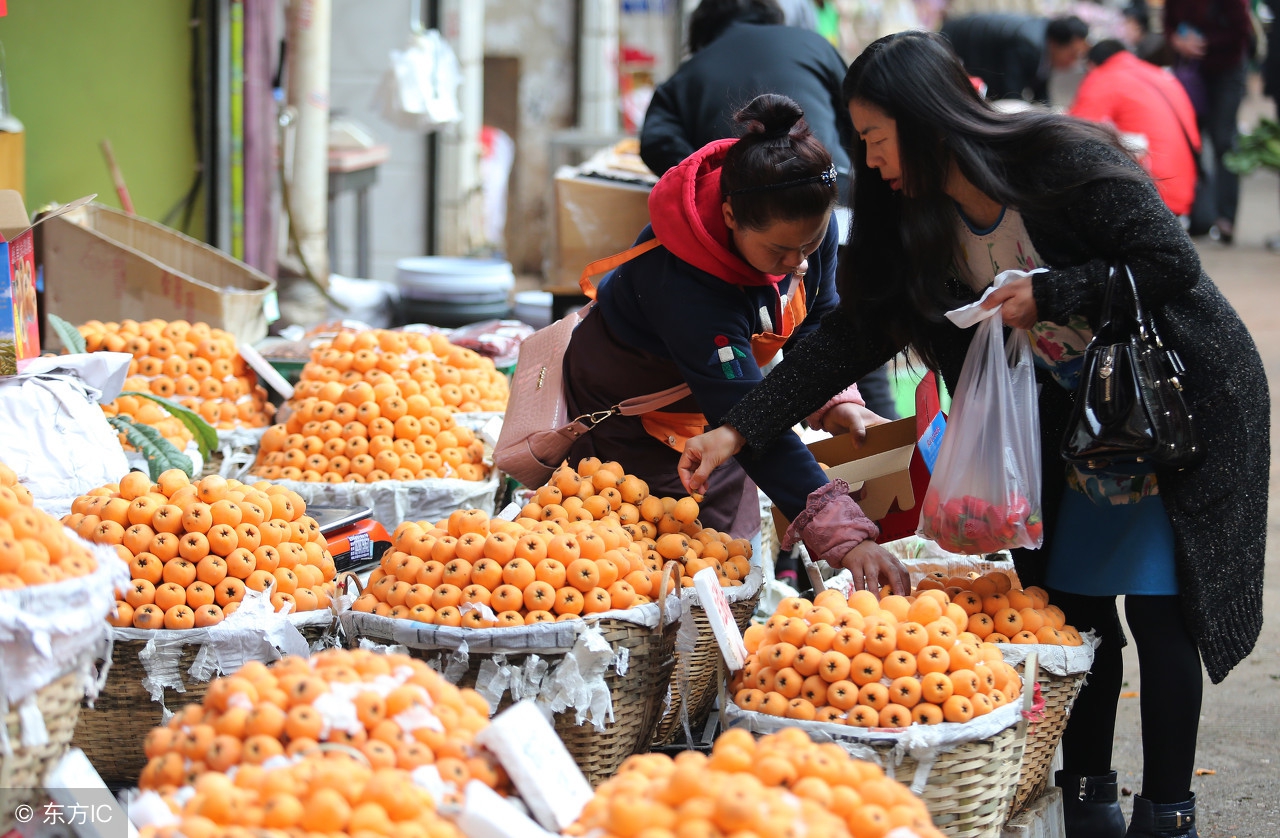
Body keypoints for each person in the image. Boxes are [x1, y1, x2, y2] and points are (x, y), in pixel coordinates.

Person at [680, 31, 1269, 838]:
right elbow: (853, 335)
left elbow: (1170, 262)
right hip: (1063, 430)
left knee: (1162, 611)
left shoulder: (1056, 162)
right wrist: (738, 430)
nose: (870, 160)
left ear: (924, 118)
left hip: (1164, 407)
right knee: (1073, 611)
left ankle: (1169, 814)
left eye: (876, 137)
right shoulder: (913, 220)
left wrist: (1052, 292)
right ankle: (1089, 802)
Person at [566, 93, 907, 592]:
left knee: (725, 557)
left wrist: (835, 399)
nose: (800, 263)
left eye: (812, 244)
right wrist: (846, 538)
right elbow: (753, 421)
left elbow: (817, 320)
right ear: (729, 215)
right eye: (780, 250)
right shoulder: (690, 288)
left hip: (718, 411)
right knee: (648, 565)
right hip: (632, 419)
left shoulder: (802, 223)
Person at [639, 0, 901, 420]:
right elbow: (856, 118)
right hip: (840, 205)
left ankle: (864, 436)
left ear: (701, 34)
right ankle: (878, 445)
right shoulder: (812, 44)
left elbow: (655, 143)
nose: (798, 261)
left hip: (801, 221)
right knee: (853, 345)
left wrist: (718, 178)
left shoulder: (688, 73)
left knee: (819, 345)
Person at [1069, 39, 1201, 218]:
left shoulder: (1103, 77)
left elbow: (1074, 134)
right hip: (1184, 189)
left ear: (1091, 65)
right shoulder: (1159, 74)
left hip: (1153, 194)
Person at [1163, 0, 1254, 243]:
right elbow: (1169, 23)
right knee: (1190, 141)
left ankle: (1225, 218)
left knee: (1224, 142)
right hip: (1191, 74)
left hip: (1226, 72)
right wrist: (1177, 40)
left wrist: (1203, 43)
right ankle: (1198, 215)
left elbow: (1241, 30)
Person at [940, 13, 1090, 104]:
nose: (1074, 62)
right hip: (953, 42)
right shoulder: (1028, 45)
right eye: (1073, 55)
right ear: (1055, 43)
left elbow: (1040, 89)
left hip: (967, 41)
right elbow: (1011, 93)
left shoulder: (1044, 41)